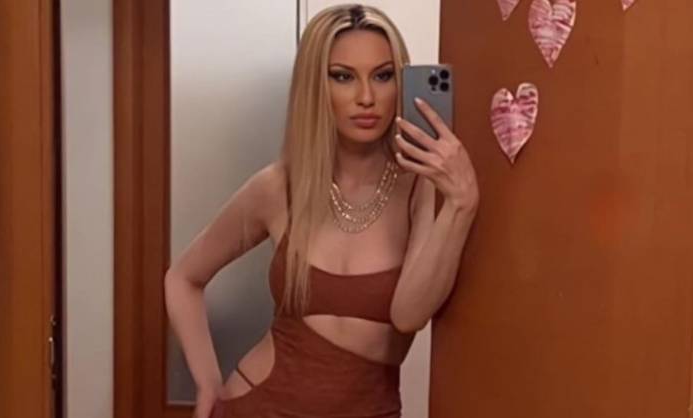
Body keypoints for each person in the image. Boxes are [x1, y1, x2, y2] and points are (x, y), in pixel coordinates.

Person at [164, 4, 479, 418]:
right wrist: (207, 382)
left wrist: (461, 203)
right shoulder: (279, 187)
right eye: (343, 76)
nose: (366, 97)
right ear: (316, 85)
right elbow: (183, 278)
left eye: (383, 76)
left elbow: (409, 314)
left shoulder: (422, 186)